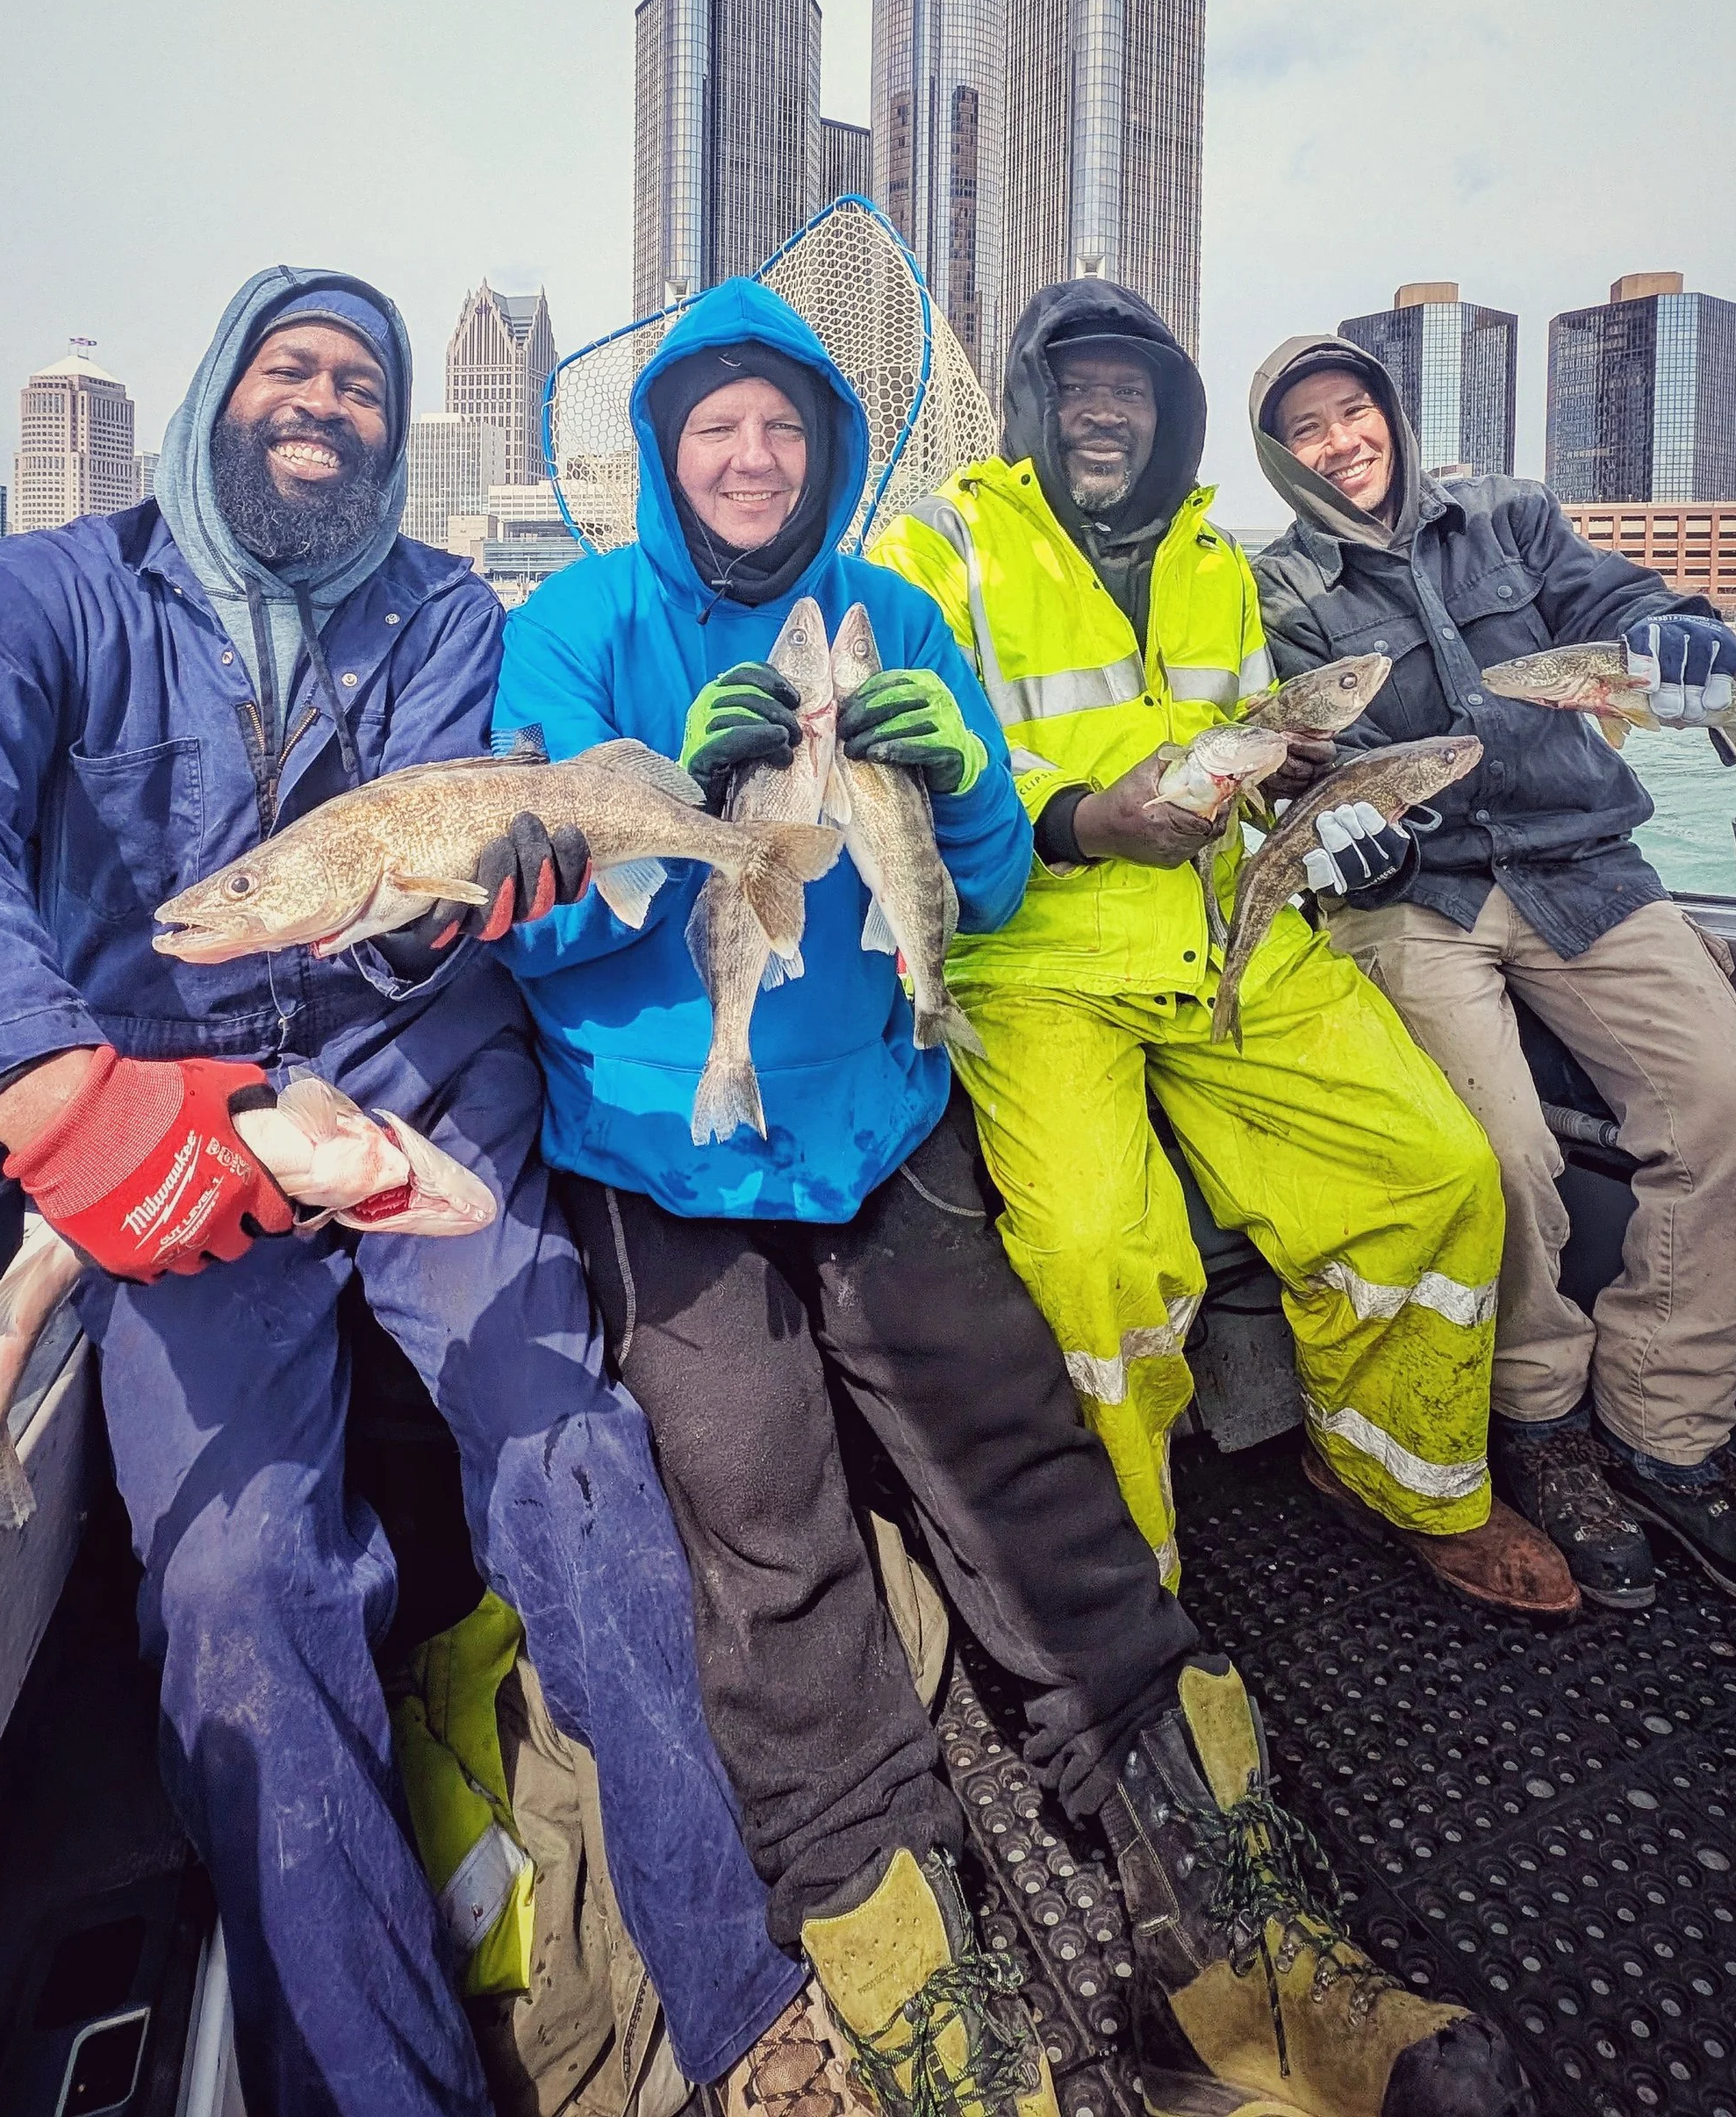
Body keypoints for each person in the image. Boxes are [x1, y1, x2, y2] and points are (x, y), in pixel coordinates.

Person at [0, 267, 815, 2117]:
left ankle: (747, 2016)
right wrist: (43, 1081)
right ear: (211, 394)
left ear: (395, 436)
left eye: (362, 383)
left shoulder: (439, 619)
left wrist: (507, 890)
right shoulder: (42, 593)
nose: (324, 401)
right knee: (244, 1568)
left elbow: (459, 868)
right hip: (170, 1120)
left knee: (573, 1454)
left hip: (418, 1078)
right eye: (289, 364)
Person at [495, 275, 1532, 2117]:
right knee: (772, 1553)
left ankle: (1243, 1928)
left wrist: (962, 762)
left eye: (781, 426)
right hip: (664, 1154)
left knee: (1032, 1486)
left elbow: (970, 870)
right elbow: (538, 929)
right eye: (713, 428)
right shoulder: (575, 626)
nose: (749, 455)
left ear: (821, 450)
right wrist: (664, 809)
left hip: (885, 1125)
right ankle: (910, 1988)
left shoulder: (892, 611)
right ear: (667, 456)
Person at [872, 283, 1575, 1626]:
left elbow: (1250, 758)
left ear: (1173, 415)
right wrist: (1081, 819)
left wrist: (1310, 801)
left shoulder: (1215, 561)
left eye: (1131, 390)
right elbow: (912, 761)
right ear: (1031, 402)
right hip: (1035, 959)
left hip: (1232, 932)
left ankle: (1400, 1477)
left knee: (1433, 1169)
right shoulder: (935, 549)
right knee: (1098, 1259)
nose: (1103, 412)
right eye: (1077, 386)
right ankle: (1130, 1581)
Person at [1247, 332, 1736, 1625]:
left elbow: (1628, 610)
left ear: (1391, 415)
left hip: (1590, 869)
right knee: (1495, 1158)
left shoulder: (1513, 513)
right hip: (1419, 900)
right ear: (1278, 457)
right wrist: (1340, 822)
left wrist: (1685, 645)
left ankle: (1667, 1437)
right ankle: (1543, 1425)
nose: (1343, 441)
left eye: (1357, 413)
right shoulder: (1274, 588)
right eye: (1309, 429)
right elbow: (1292, 758)